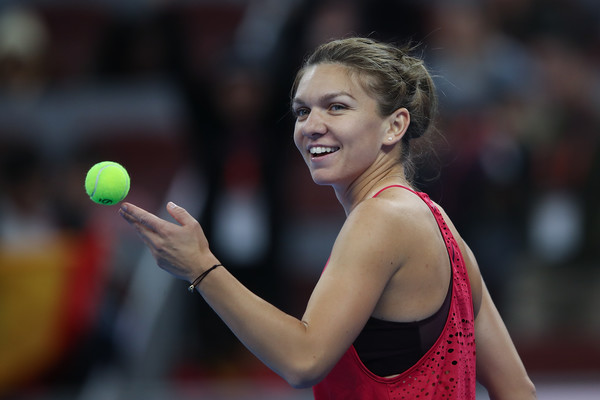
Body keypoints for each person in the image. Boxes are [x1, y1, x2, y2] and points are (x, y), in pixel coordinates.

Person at [119, 37, 536, 399]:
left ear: (395, 126)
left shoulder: (381, 218)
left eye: (336, 107)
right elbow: (518, 390)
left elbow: (304, 360)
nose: (311, 126)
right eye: (302, 111)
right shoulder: (435, 220)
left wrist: (201, 268)